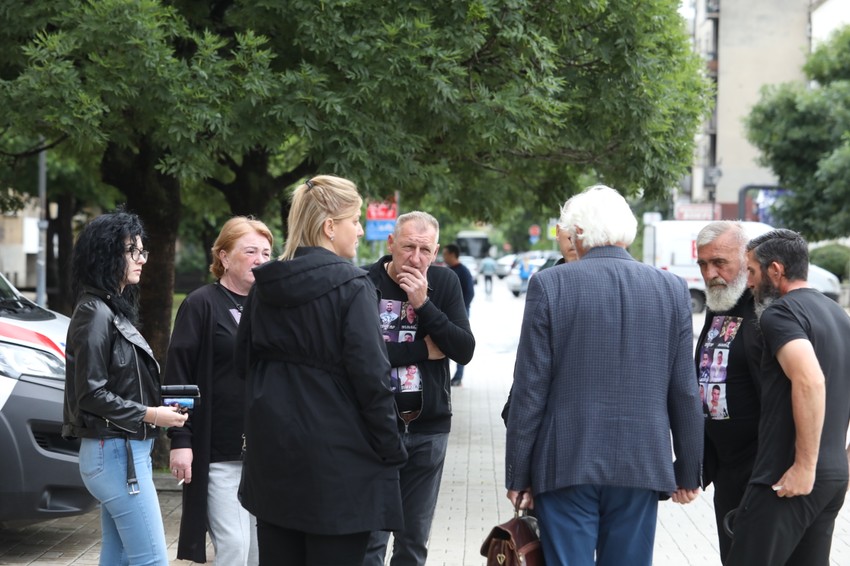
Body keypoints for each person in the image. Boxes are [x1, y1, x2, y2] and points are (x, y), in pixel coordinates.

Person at [505, 185, 703, 566]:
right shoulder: (671, 289)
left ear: (579, 232)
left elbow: (531, 389)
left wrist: (518, 473)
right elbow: (684, 388)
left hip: (566, 462)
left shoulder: (550, 285)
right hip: (642, 461)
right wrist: (689, 468)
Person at [235, 175, 407, 566]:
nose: (361, 229)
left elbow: (242, 363)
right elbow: (372, 380)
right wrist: (392, 448)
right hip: (339, 469)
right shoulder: (353, 286)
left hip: (274, 461)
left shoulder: (265, 286)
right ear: (330, 227)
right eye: (355, 219)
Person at [63, 211, 188, 566]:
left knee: (118, 558)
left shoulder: (106, 309)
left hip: (121, 453)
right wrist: (151, 414)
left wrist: (158, 410)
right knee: (150, 559)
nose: (142, 260)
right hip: (116, 454)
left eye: (142, 251)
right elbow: (90, 393)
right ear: (107, 255)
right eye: (133, 251)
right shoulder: (94, 313)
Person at [726, 229, 850, 566]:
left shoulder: (781, 314)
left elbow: (809, 380)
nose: (748, 282)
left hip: (787, 479)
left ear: (776, 271)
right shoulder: (839, 315)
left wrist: (805, 466)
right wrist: (843, 461)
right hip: (831, 477)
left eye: (751, 271)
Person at [363, 211, 475, 566]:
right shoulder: (364, 282)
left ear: (436, 250)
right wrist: (421, 349)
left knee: (413, 542)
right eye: (408, 247)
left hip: (428, 429)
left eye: (425, 250)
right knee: (370, 541)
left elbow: (463, 350)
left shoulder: (443, 283)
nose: (416, 258)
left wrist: (424, 304)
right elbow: (360, 356)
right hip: (374, 430)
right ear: (390, 243)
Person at [164, 216, 273, 565]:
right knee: (234, 548)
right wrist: (180, 441)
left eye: (266, 253)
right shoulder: (201, 304)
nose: (260, 259)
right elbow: (177, 376)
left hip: (264, 454)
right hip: (218, 453)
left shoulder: (271, 307)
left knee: (262, 552)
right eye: (251, 251)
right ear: (224, 257)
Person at [694, 221, 763, 563]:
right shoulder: (718, 305)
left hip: (762, 466)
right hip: (726, 467)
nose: (711, 273)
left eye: (719, 262)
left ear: (745, 258)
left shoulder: (766, 309)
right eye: (703, 264)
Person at [442, 244, 475, 386]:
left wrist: (461, 308)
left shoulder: (463, 271)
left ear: (453, 254)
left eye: (445, 254)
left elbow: (470, 292)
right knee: (446, 343)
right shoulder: (447, 271)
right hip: (445, 314)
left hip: (460, 314)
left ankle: (458, 376)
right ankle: (445, 376)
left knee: (459, 344)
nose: (443, 257)